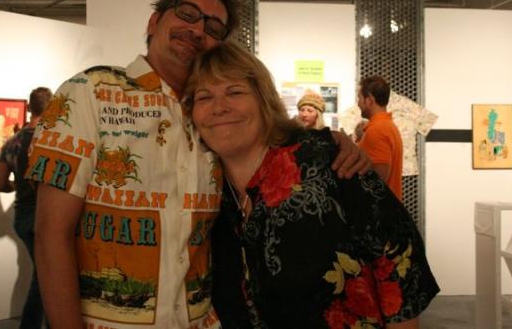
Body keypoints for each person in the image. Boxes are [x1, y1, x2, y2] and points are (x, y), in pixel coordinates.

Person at [26, 0, 369, 329]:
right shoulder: (91, 92)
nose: (197, 29)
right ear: (154, 22)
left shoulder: (212, 117)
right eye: (187, 13)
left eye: (213, 27)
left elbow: (270, 150)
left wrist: (328, 141)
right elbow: (51, 234)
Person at [185, 42, 439, 329]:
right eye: (204, 97)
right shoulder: (204, 190)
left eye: (234, 92)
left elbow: (400, 253)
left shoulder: (326, 161)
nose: (219, 107)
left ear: (263, 101)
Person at [0, 86, 53, 329]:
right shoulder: (52, 140)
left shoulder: (12, 143)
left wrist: (18, 186)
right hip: (47, 219)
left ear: (29, 107)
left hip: (23, 218)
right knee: (46, 278)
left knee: (44, 276)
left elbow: (1, 185)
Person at [356, 76, 404, 201]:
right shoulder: (387, 126)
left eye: (359, 98)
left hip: (379, 208)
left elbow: (378, 180)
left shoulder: (377, 130)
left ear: (369, 100)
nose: (358, 104)